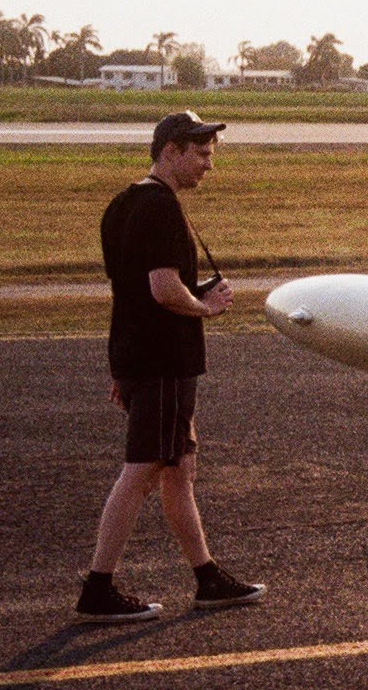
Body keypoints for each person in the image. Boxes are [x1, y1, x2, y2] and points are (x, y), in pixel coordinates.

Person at [78, 111, 265, 622]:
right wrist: (207, 307)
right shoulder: (161, 208)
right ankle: (97, 588)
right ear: (170, 151)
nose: (209, 165)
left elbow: (131, 294)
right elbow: (162, 290)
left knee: (179, 469)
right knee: (143, 471)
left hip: (141, 357)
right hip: (163, 361)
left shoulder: (123, 204)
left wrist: (123, 368)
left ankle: (207, 578)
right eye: (201, 154)